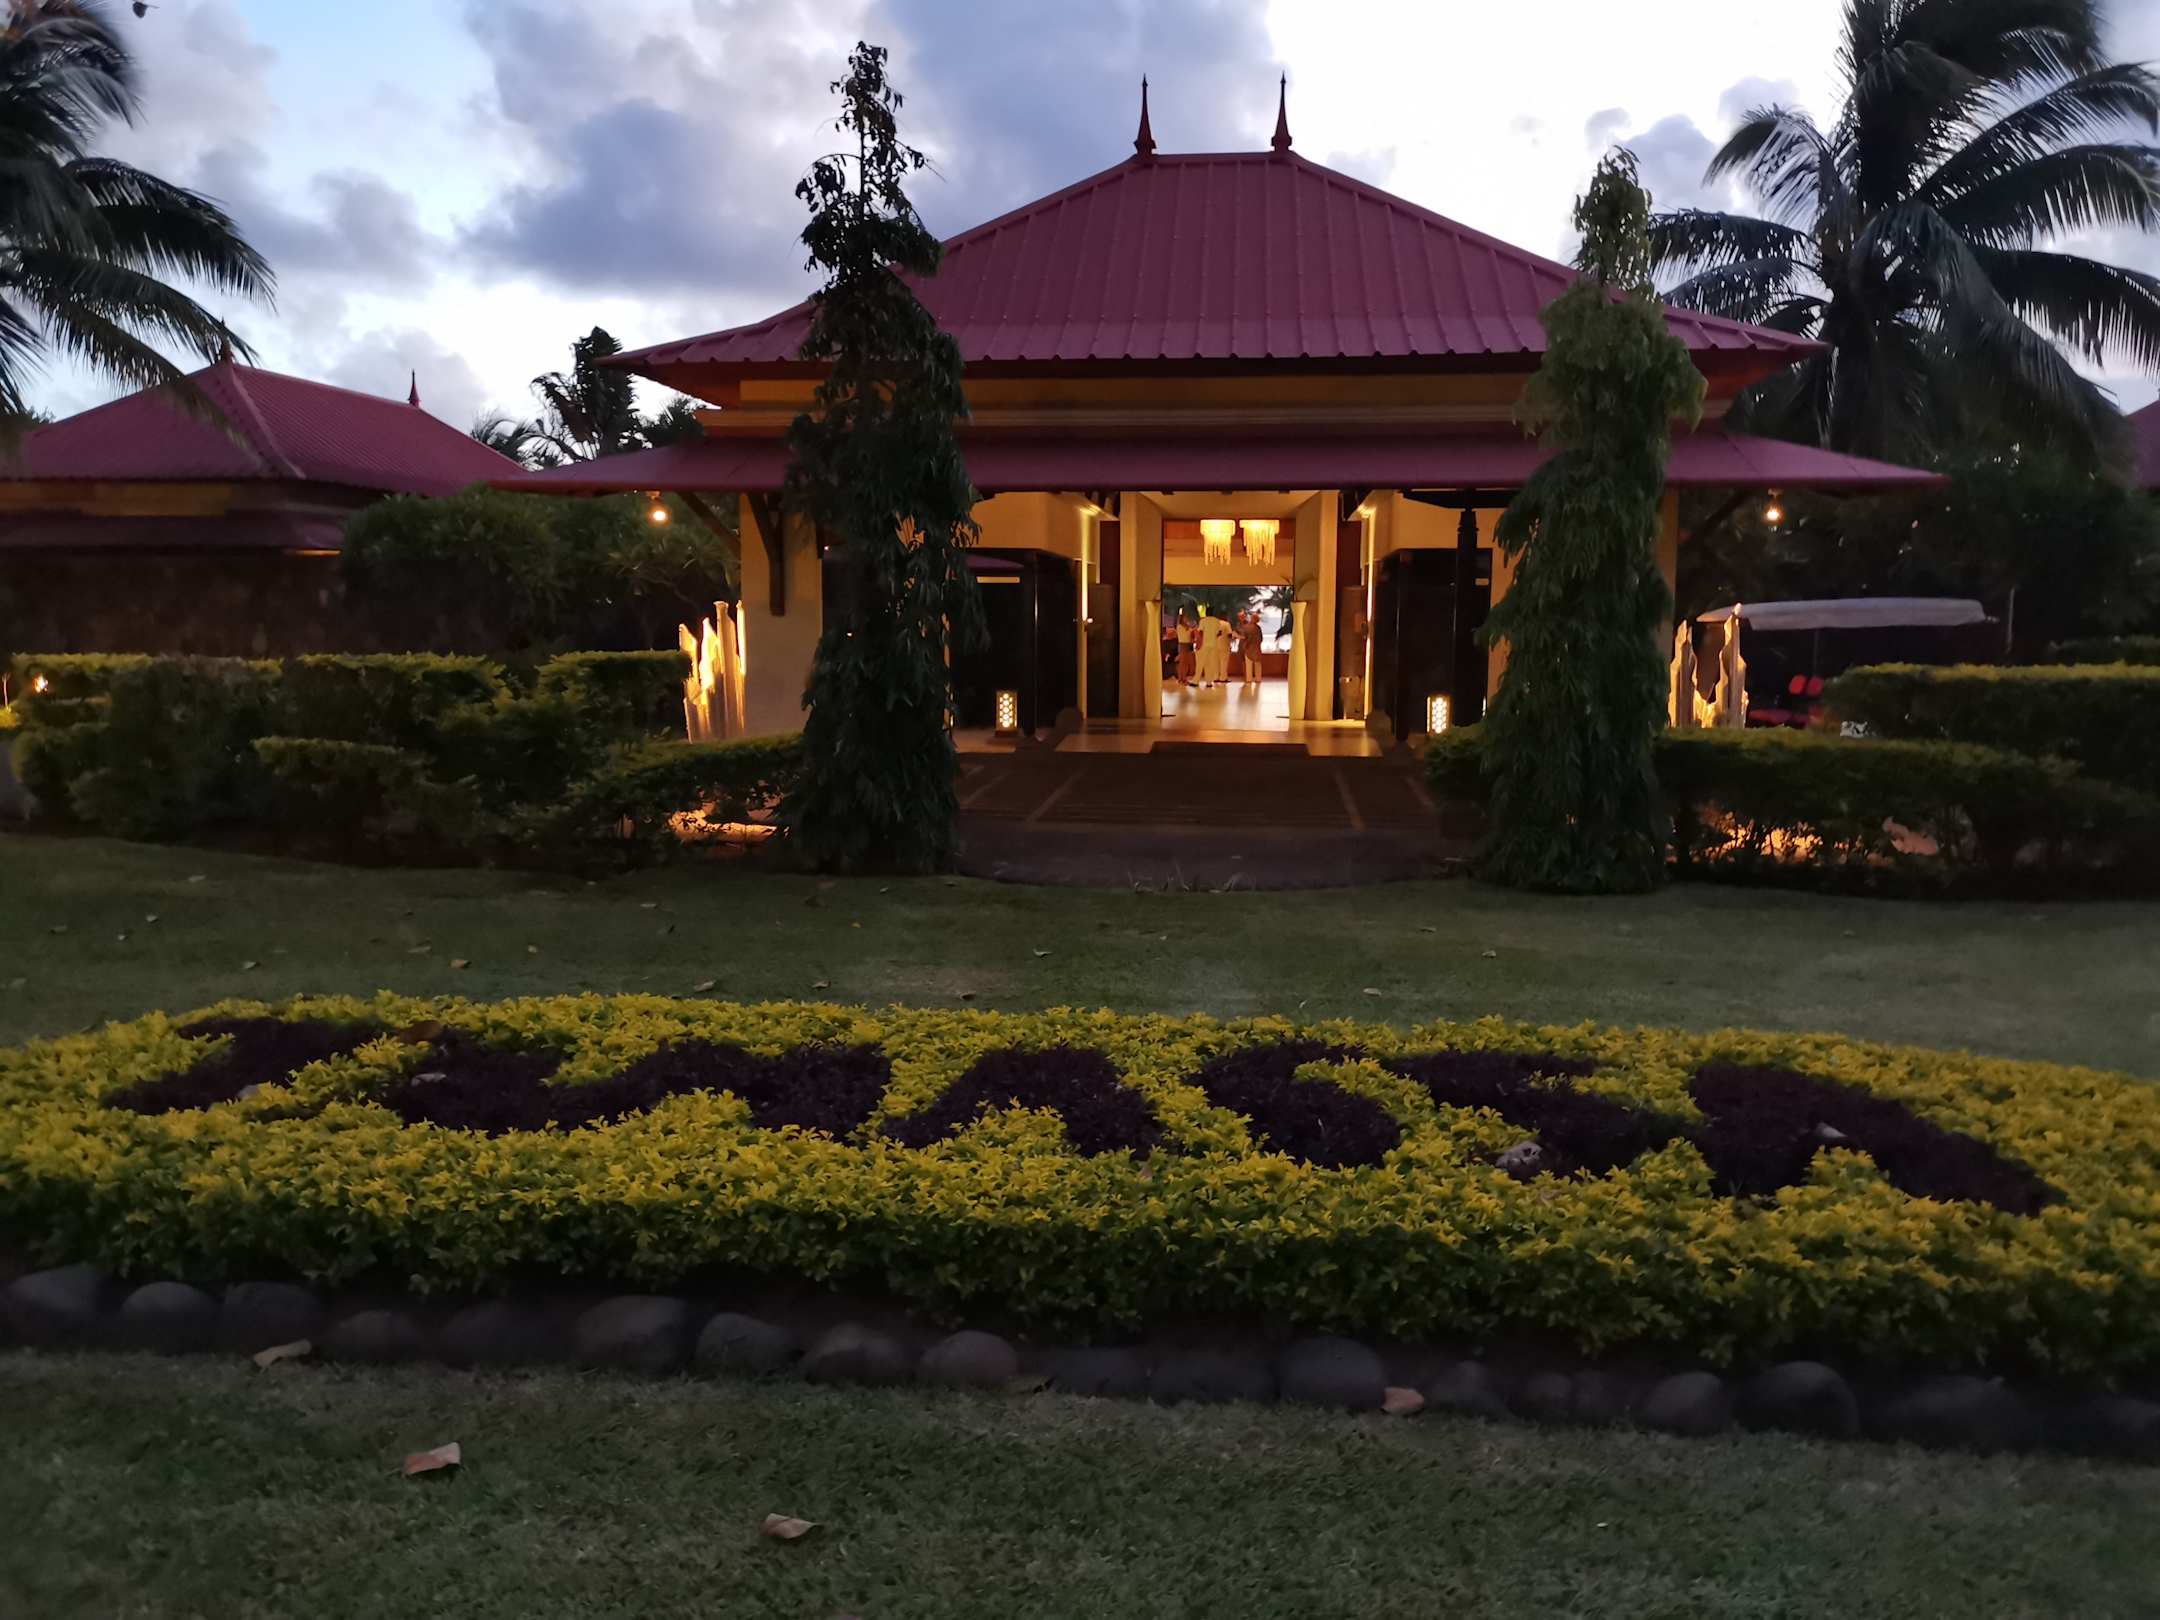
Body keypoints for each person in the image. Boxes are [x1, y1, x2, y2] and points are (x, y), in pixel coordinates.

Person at [1197, 607, 1231, 686]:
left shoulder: (1204, 621)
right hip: (1223, 645)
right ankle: (1223, 678)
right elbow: (1228, 634)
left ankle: (1215, 677)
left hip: (1212, 644)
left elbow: (1200, 632)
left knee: (1214, 662)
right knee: (1223, 662)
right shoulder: (1224, 623)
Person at [1237, 609, 1263, 686]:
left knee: (1249, 665)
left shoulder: (1247, 627)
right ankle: (1258, 679)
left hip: (1248, 649)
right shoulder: (1258, 628)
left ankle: (1249, 679)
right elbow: (1261, 639)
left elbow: (1245, 637)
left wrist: (1245, 644)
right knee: (1258, 664)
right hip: (1257, 649)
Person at [1172, 609, 1196, 687]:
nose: (1186, 619)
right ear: (1182, 619)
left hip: (1188, 645)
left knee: (1186, 663)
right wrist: (1190, 630)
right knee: (1182, 663)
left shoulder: (1188, 627)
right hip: (1182, 645)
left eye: (1187, 618)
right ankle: (1180, 678)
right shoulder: (1179, 627)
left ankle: (1184, 677)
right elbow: (1183, 635)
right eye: (1185, 618)